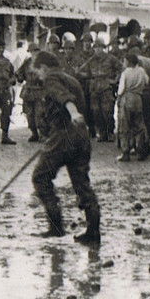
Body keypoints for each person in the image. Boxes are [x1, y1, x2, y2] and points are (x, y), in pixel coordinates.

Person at [29, 51, 101, 244]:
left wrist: (73, 112)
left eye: (38, 72)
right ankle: (93, 232)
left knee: (40, 177)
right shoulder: (71, 79)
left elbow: (64, 98)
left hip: (64, 135)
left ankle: (56, 227)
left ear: (43, 67)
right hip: (81, 135)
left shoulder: (52, 78)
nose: (39, 77)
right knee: (81, 184)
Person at [87, 37, 123, 142]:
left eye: (100, 47)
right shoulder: (91, 60)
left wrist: (115, 80)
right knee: (96, 111)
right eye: (96, 48)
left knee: (107, 111)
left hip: (106, 88)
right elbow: (84, 71)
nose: (98, 50)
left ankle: (110, 132)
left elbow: (121, 68)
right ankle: (101, 133)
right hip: (94, 88)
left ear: (104, 48)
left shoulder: (111, 58)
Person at [116, 52, 150, 162]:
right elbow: (147, 81)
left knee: (124, 126)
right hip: (138, 98)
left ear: (129, 62)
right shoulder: (141, 71)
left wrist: (119, 99)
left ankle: (125, 152)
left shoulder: (126, 72)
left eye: (125, 61)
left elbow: (121, 88)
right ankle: (140, 151)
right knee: (139, 125)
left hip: (127, 98)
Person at [128, 37, 150, 148]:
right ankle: (149, 142)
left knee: (134, 120)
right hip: (146, 95)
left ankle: (134, 145)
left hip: (133, 96)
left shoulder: (128, 63)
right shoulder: (149, 61)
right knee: (147, 118)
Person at [15, 42, 45, 142]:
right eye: (32, 52)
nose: (34, 53)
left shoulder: (42, 64)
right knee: (29, 115)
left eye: (36, 51)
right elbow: (20, 74)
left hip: (39, 91)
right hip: (28, 91)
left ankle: (42, 134)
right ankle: (34, 133)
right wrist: (18, 76)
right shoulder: (27, 62)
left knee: (39, 114)